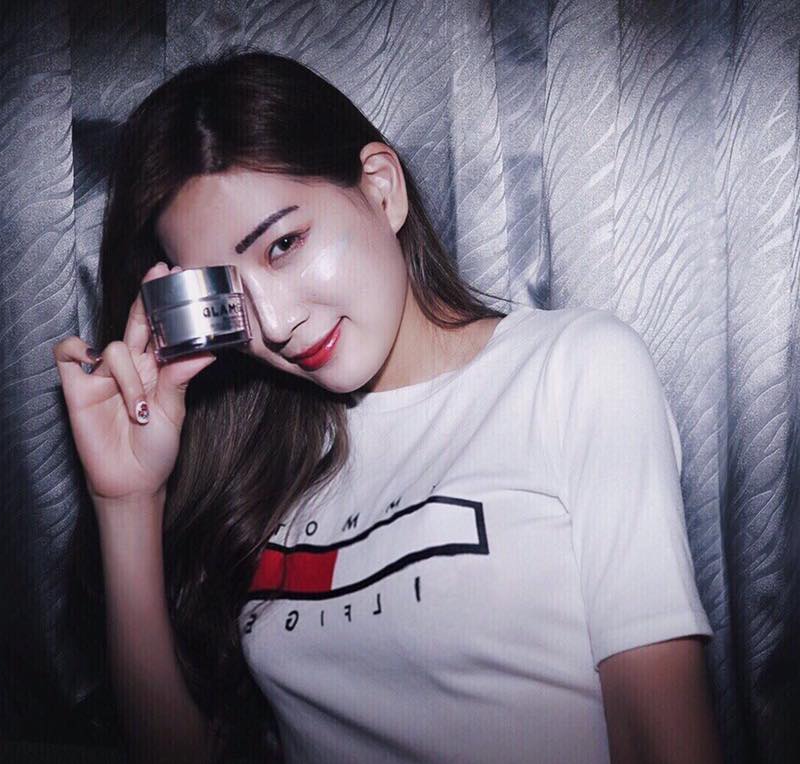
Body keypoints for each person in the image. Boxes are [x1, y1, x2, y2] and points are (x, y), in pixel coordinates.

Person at [52, 48, 722, 764]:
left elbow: (662, 740)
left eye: (284, 245)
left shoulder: (574, 370)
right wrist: (128, 501)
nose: (274, 323)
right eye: (229, 296)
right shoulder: (262, 460)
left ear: (381, 189)